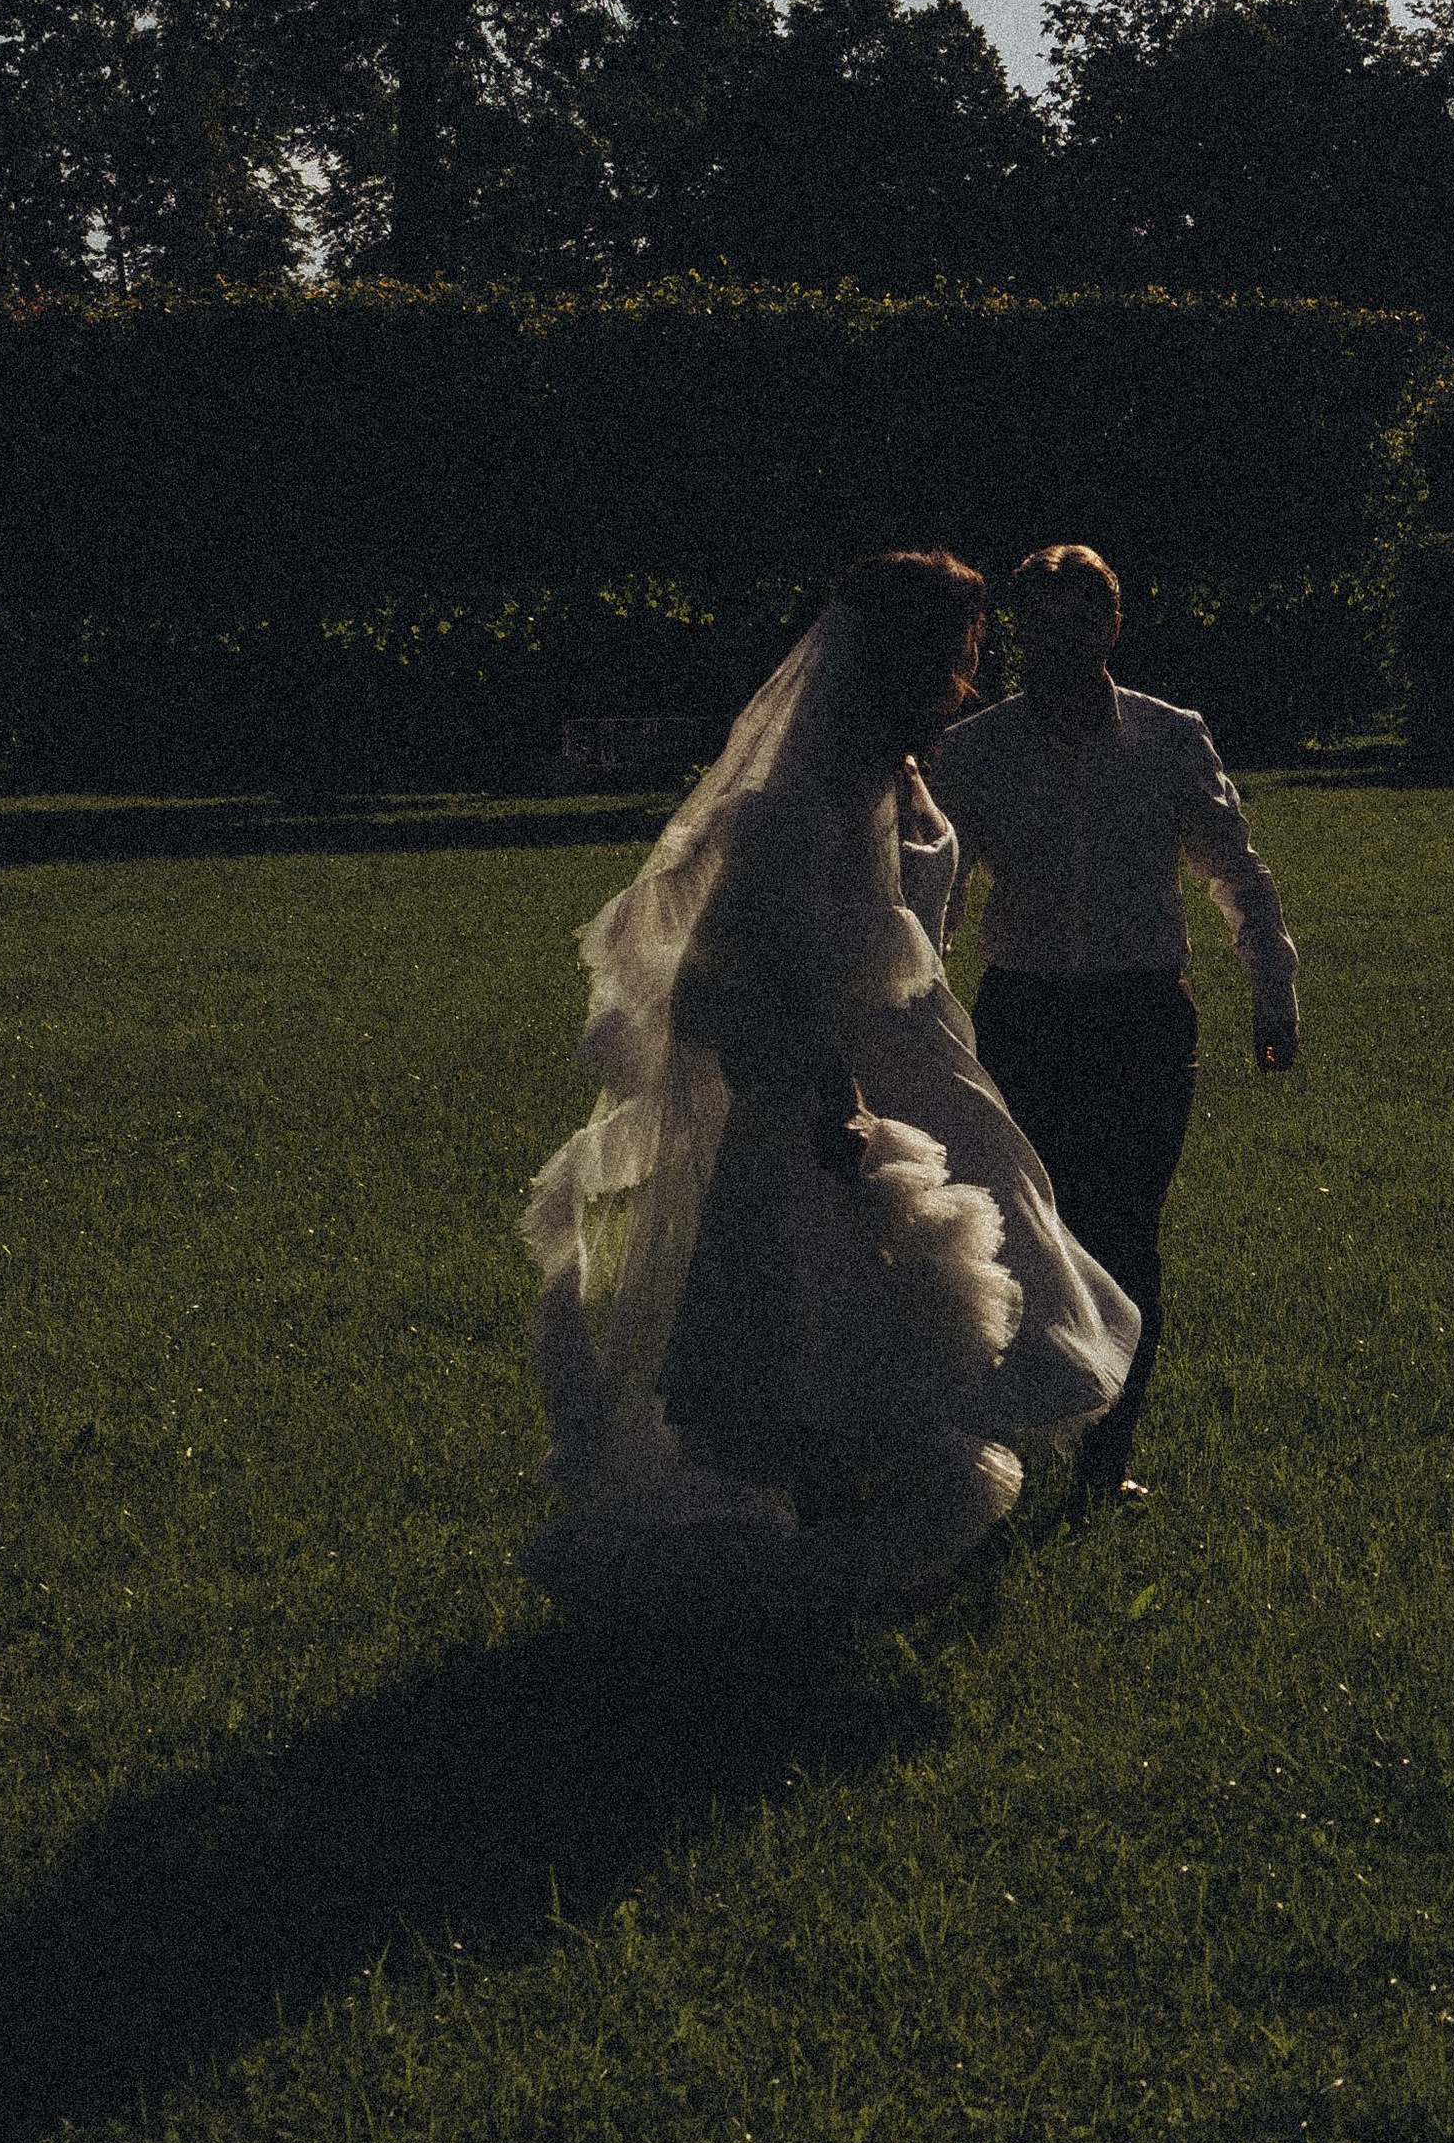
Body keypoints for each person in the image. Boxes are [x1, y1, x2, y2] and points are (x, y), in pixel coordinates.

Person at [522, 551, 1141, 1616]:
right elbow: (736, 970)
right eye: (959, 656)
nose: (971, 678)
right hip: (833, 1097)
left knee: (971, 1318)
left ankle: (901, 1560)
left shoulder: (893, 772)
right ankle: (841, 1567)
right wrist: (830, 1096)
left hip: (931, 1068)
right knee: (828, 1328)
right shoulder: (792, 803)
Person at [930, 543, 1299, 1505]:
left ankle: (1104, 1464)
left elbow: (1235, 874)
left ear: (1113, 626)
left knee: (1127, 1234)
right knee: (1017, 1235)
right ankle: (1004, 1447)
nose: (1058, 642)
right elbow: (941, 894)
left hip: (1141, 1014)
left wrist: (1274, 992)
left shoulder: (1172, 738)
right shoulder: (974, 752)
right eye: (1038, 624)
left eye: (1078, 620)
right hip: (1024, 1014)